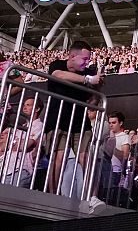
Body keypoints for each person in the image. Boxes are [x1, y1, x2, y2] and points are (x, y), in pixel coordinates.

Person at [45, 40, 104, 195]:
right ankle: (53, 196)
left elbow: (92, 103)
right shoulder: (57, 64)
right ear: (72, 56)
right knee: (59, 158)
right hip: (58, 120)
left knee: (86, 159)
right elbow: (58, 75)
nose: (87, 62)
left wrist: (97, 87)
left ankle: (92, 197)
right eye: (84, 59)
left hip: (80, 122)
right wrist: (87, 79)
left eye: (88, 59)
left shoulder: (87, 73)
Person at [0, 96, 43, 188]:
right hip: (6, 169)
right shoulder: (21, 126)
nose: (24, 107)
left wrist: (10, 142)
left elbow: (25, 145)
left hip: (20, 170)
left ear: (37, 109)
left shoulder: (38, 125)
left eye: (28, 105)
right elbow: (2, 146)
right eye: (24, 104)